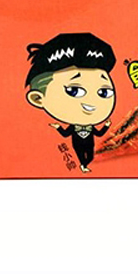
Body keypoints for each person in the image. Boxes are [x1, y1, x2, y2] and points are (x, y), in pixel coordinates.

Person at [25, 32, 116, 173]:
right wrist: (57, 127)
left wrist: (107, 126)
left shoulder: (90, 127)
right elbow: (66, 134)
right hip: (76, 144)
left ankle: (85, 164)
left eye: (104, 92)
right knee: (80, 153)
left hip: (90, 144)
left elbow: (98, 134)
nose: (91, 102)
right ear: (37, 98)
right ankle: (83, 165)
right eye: (74, 91)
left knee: (90, 154)